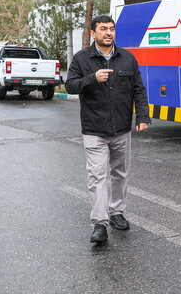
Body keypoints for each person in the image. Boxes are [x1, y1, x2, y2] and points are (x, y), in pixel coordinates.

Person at [65, 15, 150, 244]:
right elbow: (70, 85)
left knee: (120, 173)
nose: (109, 33)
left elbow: (138, 90)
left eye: (112, 29)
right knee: (97, 176)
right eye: (103, 29)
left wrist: (142, 116)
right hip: (94, 130)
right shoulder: (82, 59)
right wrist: (92, 78)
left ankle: (117, 213)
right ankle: (100, 224)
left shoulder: (127, 58)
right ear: (93, 33)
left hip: (121, 128)